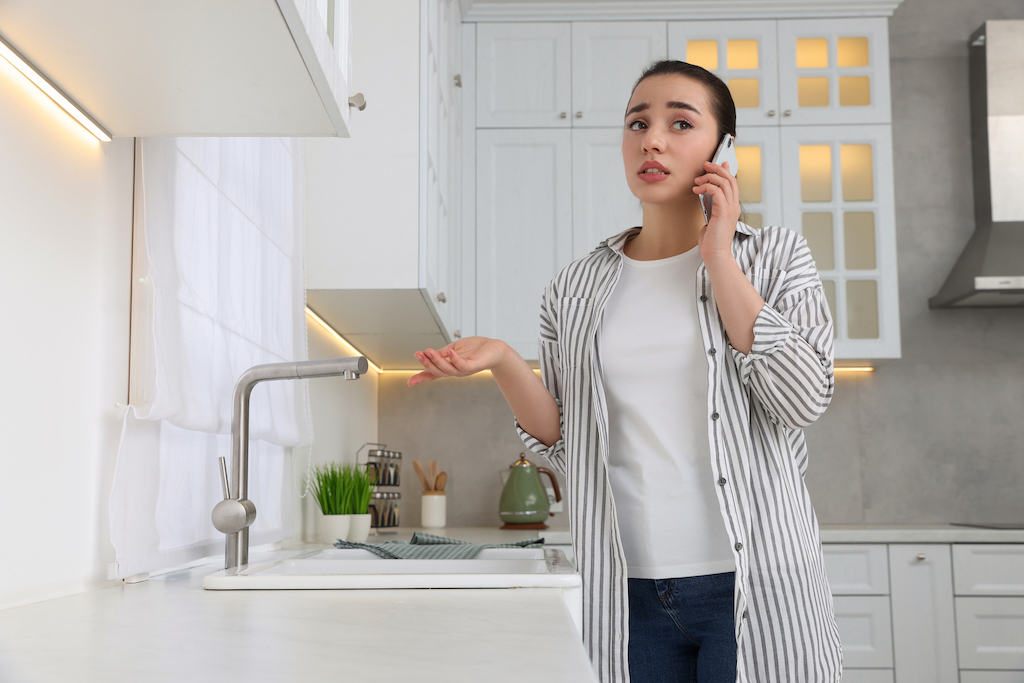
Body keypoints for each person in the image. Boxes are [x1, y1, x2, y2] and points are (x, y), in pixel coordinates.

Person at [408, 60, 842, 683]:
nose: (652, 139)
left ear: (724, 152)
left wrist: (718, 256)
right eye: (638, 122)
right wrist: (503, 360)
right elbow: (564, 438)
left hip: (756, 583)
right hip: (625, 592)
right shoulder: (576, 286)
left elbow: (802, 399)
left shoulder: (774, 257)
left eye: (680, 123)